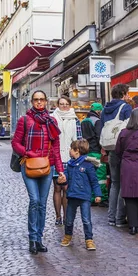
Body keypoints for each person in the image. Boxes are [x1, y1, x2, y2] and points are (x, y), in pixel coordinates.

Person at [12, 90, 65, 255]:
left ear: (46, 101)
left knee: (42, 203)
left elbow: (55, 147)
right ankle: (32, 238)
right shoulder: (25, 120)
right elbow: (15, 143)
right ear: (32, 102)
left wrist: (61, 170)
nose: (39, 103)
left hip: (47, 167)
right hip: (28, 165)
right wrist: (28, 152)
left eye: (42, 100)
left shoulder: (51, 121)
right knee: (34, 200)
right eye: (36, 100)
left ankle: (39, 239)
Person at [100, 83, 133, 227]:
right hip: (124, 149)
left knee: (114, 183)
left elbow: (101, 128)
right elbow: (130, 128)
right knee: (123, 182)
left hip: (110, 149)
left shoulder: (104, 109)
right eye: (127, 93)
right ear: (123, 94)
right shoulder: (126, 107)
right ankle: (120, 218)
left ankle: (111, 217)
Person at [61, 139, 102, 251]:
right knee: (69, 219)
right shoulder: (70, 164)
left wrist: (98, 194)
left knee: (86, 219)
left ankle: (89, 239)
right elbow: (66, 178)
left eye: (71, 149)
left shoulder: (88, 165)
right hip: (72, 195)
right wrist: (62, 180)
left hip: (84, 197)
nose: (69, 151)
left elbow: (94, 181)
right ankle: (67, 236)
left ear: (77, 151)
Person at [51, 96, 82, 225]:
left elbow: (79, 140)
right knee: (57, 188)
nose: (64, 106)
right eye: (61, 104)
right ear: (58, 105)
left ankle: (66, 217)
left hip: (69, 159)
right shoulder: (52, 119)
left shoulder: (75, 120)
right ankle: (58, 216)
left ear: (70, 105)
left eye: (66, 104)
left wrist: (77, 156)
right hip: (56, 157)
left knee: (67, 188)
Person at [81, 103, 108, 206]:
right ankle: (101, 198)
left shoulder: (84, 121)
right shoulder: (97, 121)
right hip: (97, 152)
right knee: (100, 176)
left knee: (90, 175)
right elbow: (99, 137)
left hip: (87, 152)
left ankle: (91, 197)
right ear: (98, 111)